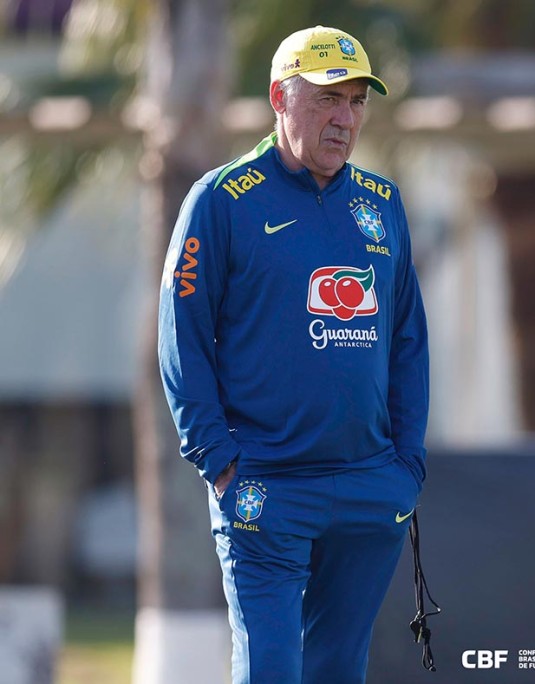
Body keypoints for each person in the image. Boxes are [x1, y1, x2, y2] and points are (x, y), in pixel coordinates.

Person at [158, 25, 430, 684]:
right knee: (271, 669)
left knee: (338, 670)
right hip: (266, 484)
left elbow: (408, 342)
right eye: (327, 98)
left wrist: (406, 466)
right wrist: (219, 461)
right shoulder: (221, 200)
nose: (345, 118)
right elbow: (180, 337)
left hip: (369, 487)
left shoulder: (383, 203)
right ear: (281, 97)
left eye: (357, 101)